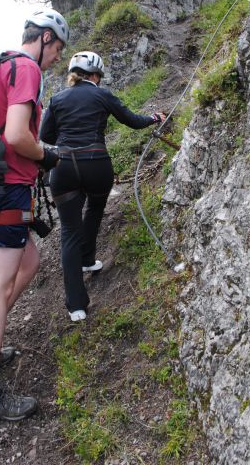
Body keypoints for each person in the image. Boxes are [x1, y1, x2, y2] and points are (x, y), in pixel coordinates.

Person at [0, 8, 69, 421]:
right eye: (57, 47)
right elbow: (17, 135)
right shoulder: (26, 69)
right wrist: (49, 156)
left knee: (29, 261)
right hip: (4, 188)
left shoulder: (1, 65)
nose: (58, 56)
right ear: (44, 39)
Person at [39, 51, 166, 322]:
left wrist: (65, 135)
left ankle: (76, 306)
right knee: (95, 208)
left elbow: (44, 135)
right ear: (95, 75)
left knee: (69, 232)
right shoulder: (101, 94)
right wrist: (155, 118)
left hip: (63, 166)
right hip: (96, 162)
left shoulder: (57, 99)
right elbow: (131, 120)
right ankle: (88, 258)